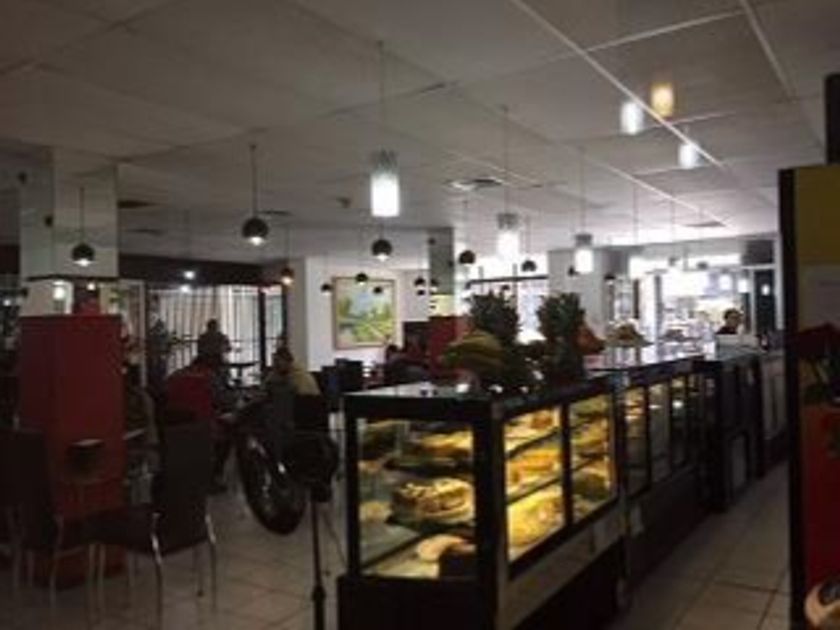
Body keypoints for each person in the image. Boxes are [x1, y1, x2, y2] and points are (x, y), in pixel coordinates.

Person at [165, 353, 236, 492]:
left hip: (174, 426)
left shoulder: (175, 375)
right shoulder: (209, 377)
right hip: (202, 425)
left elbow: (164, 395)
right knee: (226, 437)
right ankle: (213, 478)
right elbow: (224, 400)